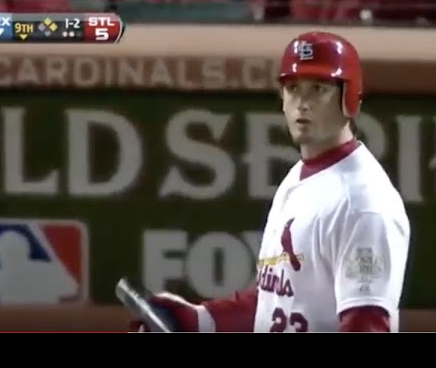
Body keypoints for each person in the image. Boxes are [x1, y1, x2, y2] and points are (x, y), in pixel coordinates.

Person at [129, 31, 412, 332]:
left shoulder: (363, 204)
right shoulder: (298, 179)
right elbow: (277, 299)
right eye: (292, 88)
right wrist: (201, 320)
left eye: (318, 89)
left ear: (349, 98)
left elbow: (366, 325)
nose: (302, 103)